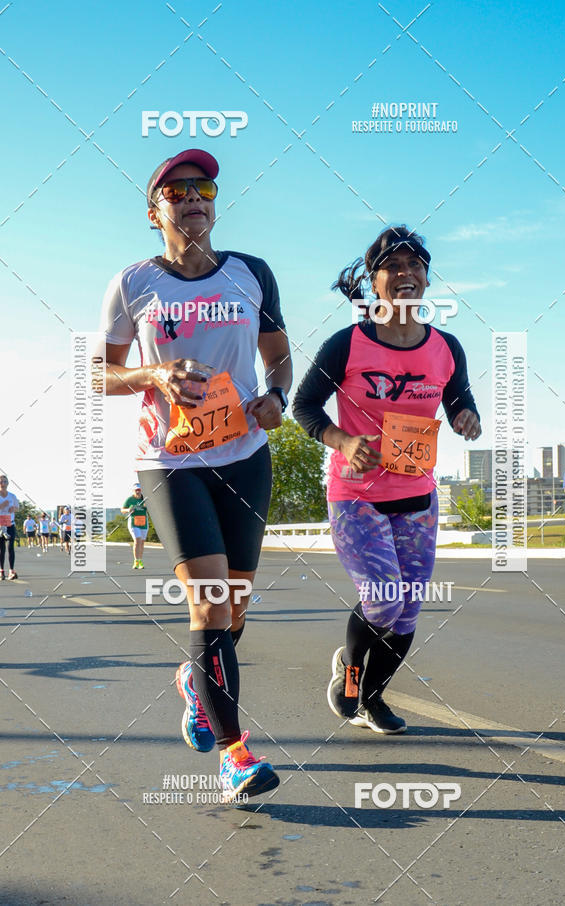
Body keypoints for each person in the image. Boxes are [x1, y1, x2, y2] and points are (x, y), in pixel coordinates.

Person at [100, 148, 292, 801]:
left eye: (203, 188)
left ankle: (194, 681)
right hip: (170, 461)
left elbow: (278, 356)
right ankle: (236, 756)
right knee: (209, 606)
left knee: (232, 611)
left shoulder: (251, 273)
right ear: (153, 212)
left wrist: (277, 396)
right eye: (177, 191)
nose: (192, 198)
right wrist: (154, 373)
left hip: (244, 455)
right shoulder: (132, 284)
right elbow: (100, 373)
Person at [294, 225, 481, 734]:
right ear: (373, 281)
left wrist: (467, 418)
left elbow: (460, 400)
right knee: (383, 600)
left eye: (414, 265)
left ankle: (372, 700)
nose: (405, 274)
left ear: (427, 278)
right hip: (357, 497)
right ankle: (351, 676)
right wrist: (342, 441)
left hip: (417, 497)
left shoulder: (446, 347)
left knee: (407, 612)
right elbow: (304, 406)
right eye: (392, 266)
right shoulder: (347, 344)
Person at [121, 483, 149, 569]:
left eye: (139, 490)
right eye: (136, 490)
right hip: (134, 523)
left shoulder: (145, 499)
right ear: (133, 491)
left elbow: (152, 509)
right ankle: (136, 561)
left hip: (144, 523)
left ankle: (140, 561)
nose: (138, 491)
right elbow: (122, 510)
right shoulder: (130, 499)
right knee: (137, 540)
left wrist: (147, 506)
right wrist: (128, 510)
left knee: (142, 542)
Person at [0, 475, 19, 580]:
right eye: (1, 482)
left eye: (5, 482)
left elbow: (17, 508)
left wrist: (13, 509)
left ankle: (11, 571)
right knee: (1, 549)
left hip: (10, 524)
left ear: (8, 483)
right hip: (0, 525)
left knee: (10, 547)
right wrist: (1, 506)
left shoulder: (12, 496)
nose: (3, 484)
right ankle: (1, 571)